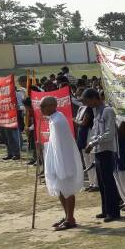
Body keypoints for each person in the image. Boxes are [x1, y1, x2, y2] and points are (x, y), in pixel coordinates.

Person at [40, 97, 82, 231]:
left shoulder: (58, 121)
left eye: (43, 106)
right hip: (56, 160)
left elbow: (63, 146)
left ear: (52, 105)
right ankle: (67, 216)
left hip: (63, 162)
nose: (41, 110)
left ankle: (70, 219)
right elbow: (54, 143)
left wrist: (61, 166)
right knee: (59, 189)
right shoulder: (54, 119)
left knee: (67, 190)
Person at [83, 89, 121, 222]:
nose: (87, 104)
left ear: (94, 98)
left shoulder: (107, 111)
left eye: (87, 101)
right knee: (102, 182)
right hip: (98, 151)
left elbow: (109, 133)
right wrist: (92, 144)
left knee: (109, 182)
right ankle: (106, 210)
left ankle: (113, 212)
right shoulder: (96, 111)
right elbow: (95, 130)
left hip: (107, 150)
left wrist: (93, 142)